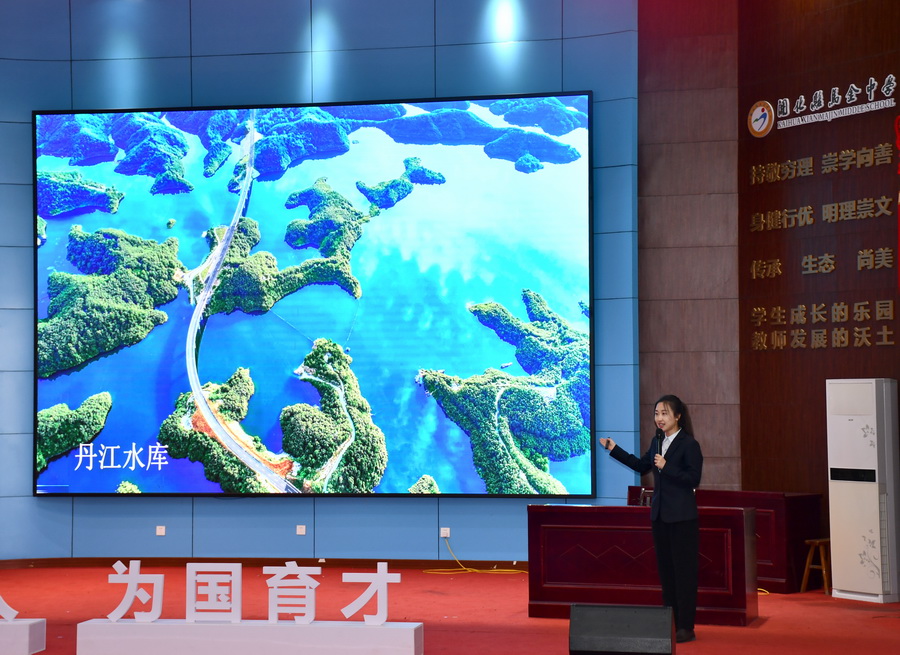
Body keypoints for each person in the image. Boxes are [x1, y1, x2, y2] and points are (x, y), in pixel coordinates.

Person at [598, 394, 703, 644]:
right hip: (660, 517)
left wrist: (667, 466)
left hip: (682, 519)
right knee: (666, 573)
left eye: (665, 413)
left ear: (678, 416)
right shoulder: (657, 442)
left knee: (684, 573)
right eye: (656, 413)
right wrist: (614, 448)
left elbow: (693, 479)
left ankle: (686, 627)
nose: (659, 418)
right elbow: (641, 465)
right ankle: (670, 622)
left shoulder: (689, 445)